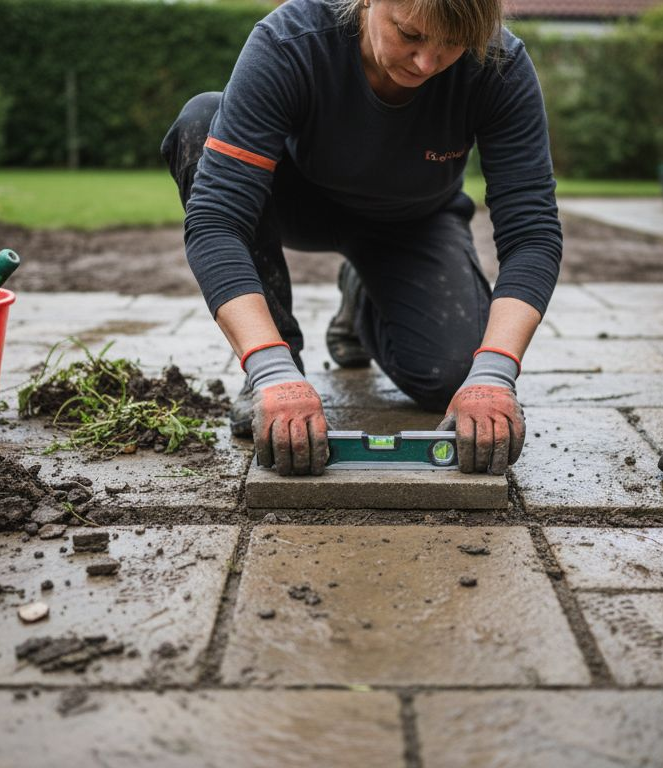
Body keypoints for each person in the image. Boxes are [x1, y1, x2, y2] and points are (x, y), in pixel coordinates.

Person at [162, 0, 561, 476]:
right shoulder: (290, 42)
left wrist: (495, 373)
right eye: (410, 35)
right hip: (297, 202)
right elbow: (217, 220)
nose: (427, 64)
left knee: (452, 374)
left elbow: (532, 234)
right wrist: (270, 368)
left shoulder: (499, 64)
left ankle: (361, 295)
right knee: (202, 120)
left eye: (452, 44)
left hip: (410, 222)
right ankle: (280, 359)